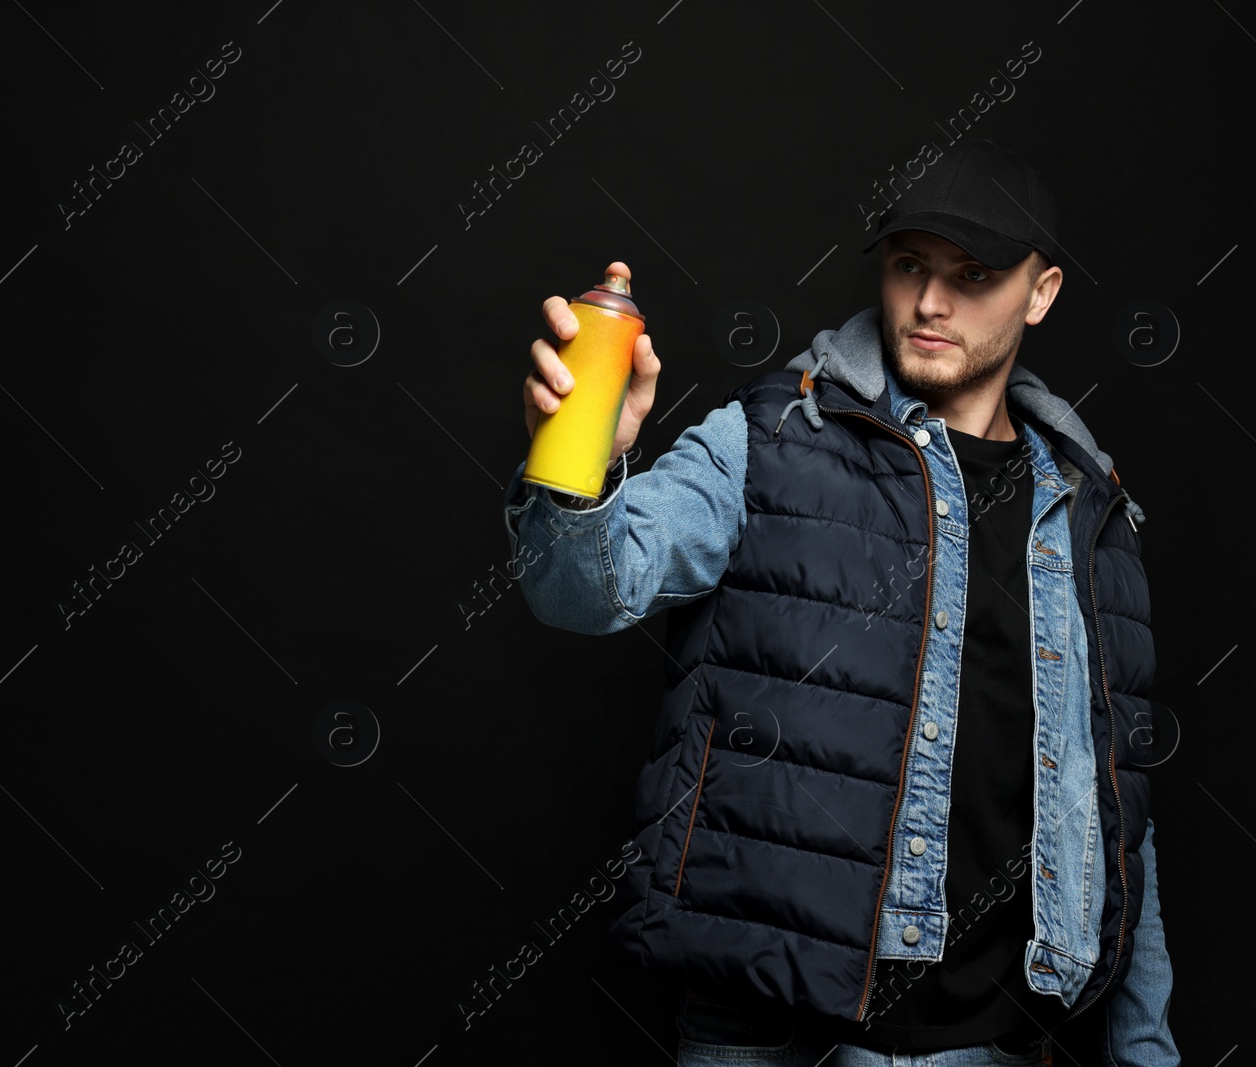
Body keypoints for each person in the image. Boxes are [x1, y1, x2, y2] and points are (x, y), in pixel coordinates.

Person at [501, 139, 1179, 1066]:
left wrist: (1145, 1045)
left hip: (991, 1040)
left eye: (972, 275)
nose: (930, 303)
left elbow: (1113, 814)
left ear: (1042, 291)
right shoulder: (772, 434)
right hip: (764, 1030)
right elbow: (584, 591)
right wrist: (578, 467)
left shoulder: (1092, 510)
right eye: (910, 266)